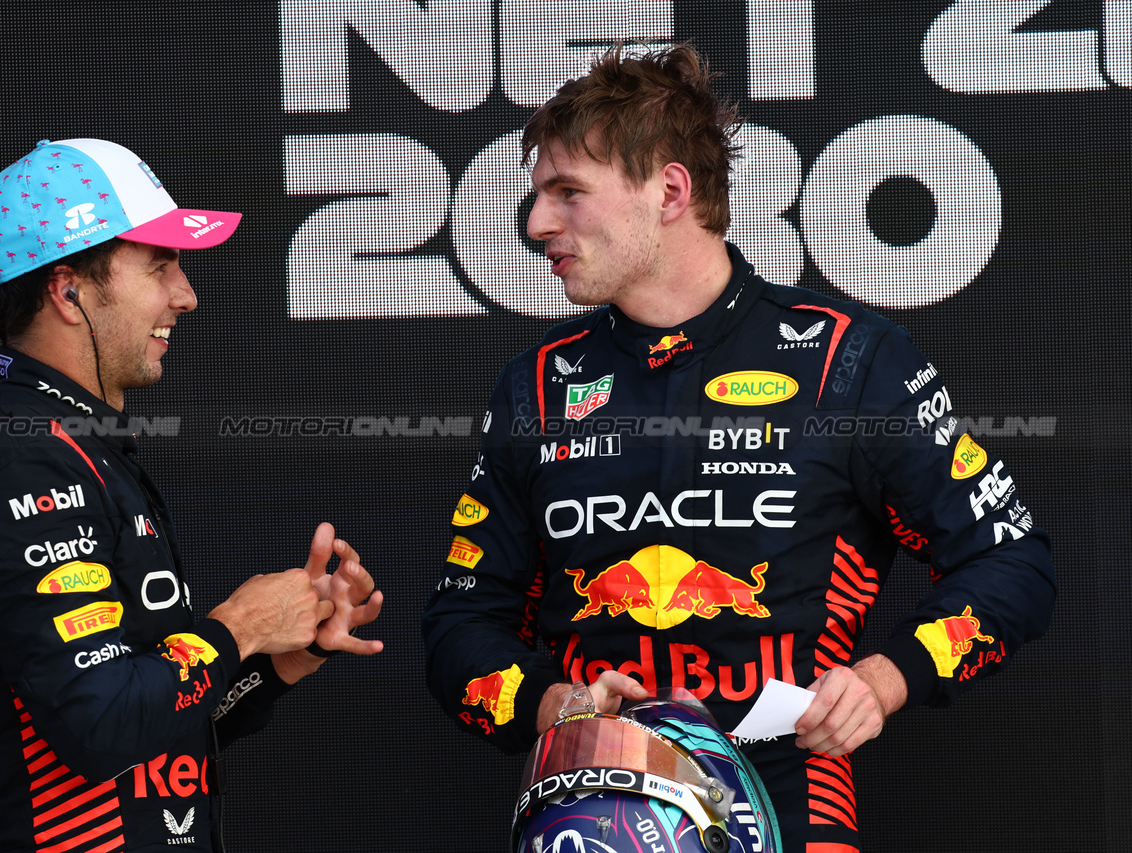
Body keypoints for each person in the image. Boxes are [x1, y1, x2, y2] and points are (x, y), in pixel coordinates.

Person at [422, 44, 1054, 851]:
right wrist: (555, 704)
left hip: (792, 810)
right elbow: (461, 620)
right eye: (538, 195)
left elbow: (1012, 560)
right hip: (585, 816)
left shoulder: (847, 362)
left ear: (671, 191)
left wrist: (886, 679)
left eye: (567, 192)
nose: (538, 222)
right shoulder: (536, 386)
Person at [0, 138, 384, 853]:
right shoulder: (21, 464)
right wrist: (239, 626)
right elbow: (100, 728)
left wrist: (287, 652)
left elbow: (160, 721)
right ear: (67, 291)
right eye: (159, 265)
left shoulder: (74, 445)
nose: (185, 295)